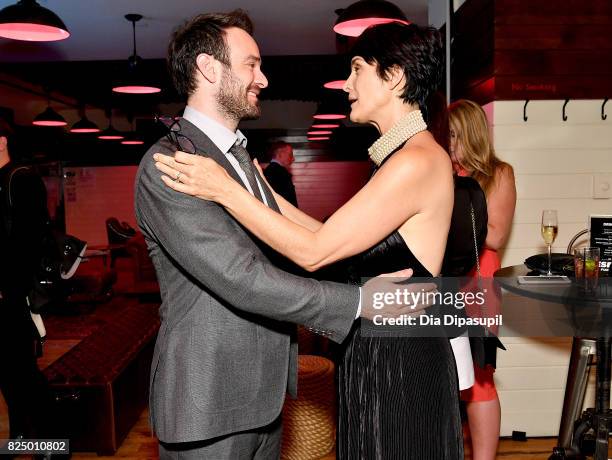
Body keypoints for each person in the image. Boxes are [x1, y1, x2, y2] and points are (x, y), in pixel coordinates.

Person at [155, 22, 464, 459]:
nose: (347, 84)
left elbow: (315, 253)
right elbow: (327, 235)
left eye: (357, 69)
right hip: (379, 346)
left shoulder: (415, 160)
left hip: (401, 357)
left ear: (394, 77)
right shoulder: (403, 155)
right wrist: (261, 194)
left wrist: (225, 188)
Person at [449, 99, 517, 460]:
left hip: (479, 287)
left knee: (480, 381)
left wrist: (458, 198)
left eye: (455, 136)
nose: (449, 144)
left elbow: (496, 235)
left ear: (472, 135)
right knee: (445, 376)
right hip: (444, 285)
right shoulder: (441, 171)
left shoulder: (499, 173)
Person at [0, 118, 52, 442]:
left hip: (13, 297)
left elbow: (29, 241)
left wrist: (9, 289)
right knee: (8, 374)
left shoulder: (21, 179)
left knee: (24, 375)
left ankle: (50, 443)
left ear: (1, 141)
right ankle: (21, 436)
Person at [264, 141, 298, 207]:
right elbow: (288, 203)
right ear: (280, 154)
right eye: (290, 155)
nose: (293, 159)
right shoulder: (281, 174)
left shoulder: (268, 171)